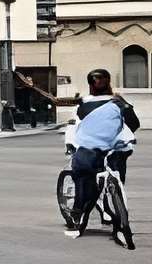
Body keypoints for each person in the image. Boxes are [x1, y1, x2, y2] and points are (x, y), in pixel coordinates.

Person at [19, 69, 140, 237]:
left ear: (90, 85)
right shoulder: (118, 101)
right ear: (109, 83)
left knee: (84, 175)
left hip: (93, 150)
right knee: (114, 171)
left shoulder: (84, 102)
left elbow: (55, 101)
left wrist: (34, 87)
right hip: (117, 148)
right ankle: (110, 206)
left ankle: (80, 211)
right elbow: (134, 123)